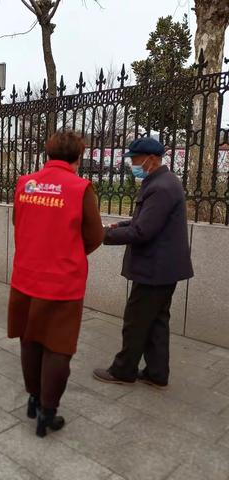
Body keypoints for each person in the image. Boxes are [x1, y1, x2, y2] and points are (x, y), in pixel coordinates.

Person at [8, 131, 104, 437]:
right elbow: (95, 235)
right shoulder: (80, 188)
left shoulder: (26, 183)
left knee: (30, 338)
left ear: (47, 154)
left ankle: (34, 399)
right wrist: (70, 253)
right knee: (58, 347)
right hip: (63, 281)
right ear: (79, 157)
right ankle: (48, 413)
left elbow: (19, 222)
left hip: (26, 276)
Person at [93, 137, 194, 389]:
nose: (132, 164)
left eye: (135, 159)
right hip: (163, 269)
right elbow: (144, 221)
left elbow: (143, 232)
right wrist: (119, 225)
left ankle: (123, 371)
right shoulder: (163, 182)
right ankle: (157, 373)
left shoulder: (160, 187)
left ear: (151, 159)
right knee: (156, 322)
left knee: (136, 322)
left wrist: (102, 234)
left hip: (154, 269)